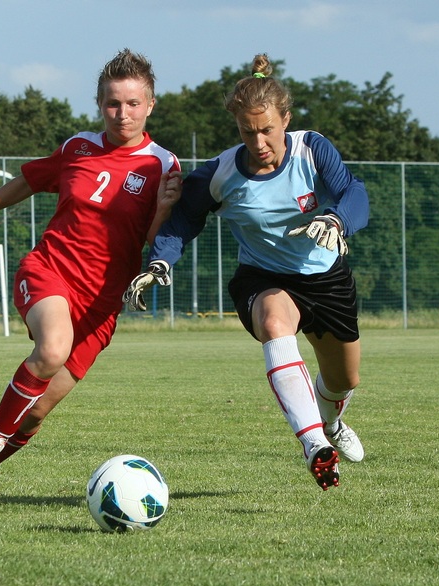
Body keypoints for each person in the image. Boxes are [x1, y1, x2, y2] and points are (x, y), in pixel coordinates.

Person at [0, 48, 182, 505]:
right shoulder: (78, 148)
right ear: (99, 103)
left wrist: (166, 208)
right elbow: (28, 180)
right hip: (50, 272)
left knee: (36, 412)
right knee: (50, 350)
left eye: (132, 103)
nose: (121, 113)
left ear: (150, 105)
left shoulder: (162, 165)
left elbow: (150, 241)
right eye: (112, 103)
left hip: (102, 304)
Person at [125, 54, 369, 491]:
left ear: (285, 120)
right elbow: (183, 221)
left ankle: (330, 422)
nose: (258, 142)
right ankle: (314, 444)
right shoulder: (221, 173)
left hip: (327, 279)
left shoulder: (312, 148)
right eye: (247, 131)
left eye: (268, 129)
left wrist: (336, 220)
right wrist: (160, 260)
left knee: (343, 380)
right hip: (263, 278)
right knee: (275, 321)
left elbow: (354, 192)